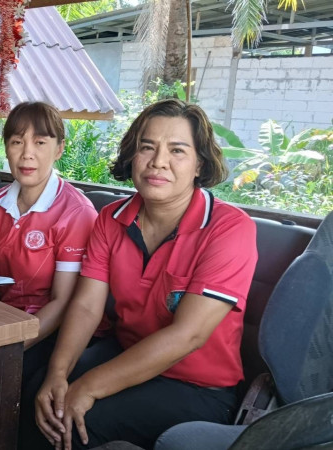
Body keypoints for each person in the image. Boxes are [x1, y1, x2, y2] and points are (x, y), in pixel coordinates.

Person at [26, 99, 258, 450]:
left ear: (199, 164)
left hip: (197, 388)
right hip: (125, 353)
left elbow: (188, 335)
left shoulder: (229, 228)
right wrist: (58, 375)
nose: (158, 161)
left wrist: (87, 387)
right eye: (147, 147)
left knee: (76, 423)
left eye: (177, 150)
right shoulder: (111, 218)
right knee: (38, 390)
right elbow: (87, 307)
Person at [0, 102, 98, 384]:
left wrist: (8, 346)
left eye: (40, 142)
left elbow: (63, 302)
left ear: (59, 149)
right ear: (6, 148)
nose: (27, 153)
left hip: (48, 331)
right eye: (17, 142)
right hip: (2, 315)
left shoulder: (76, 213)